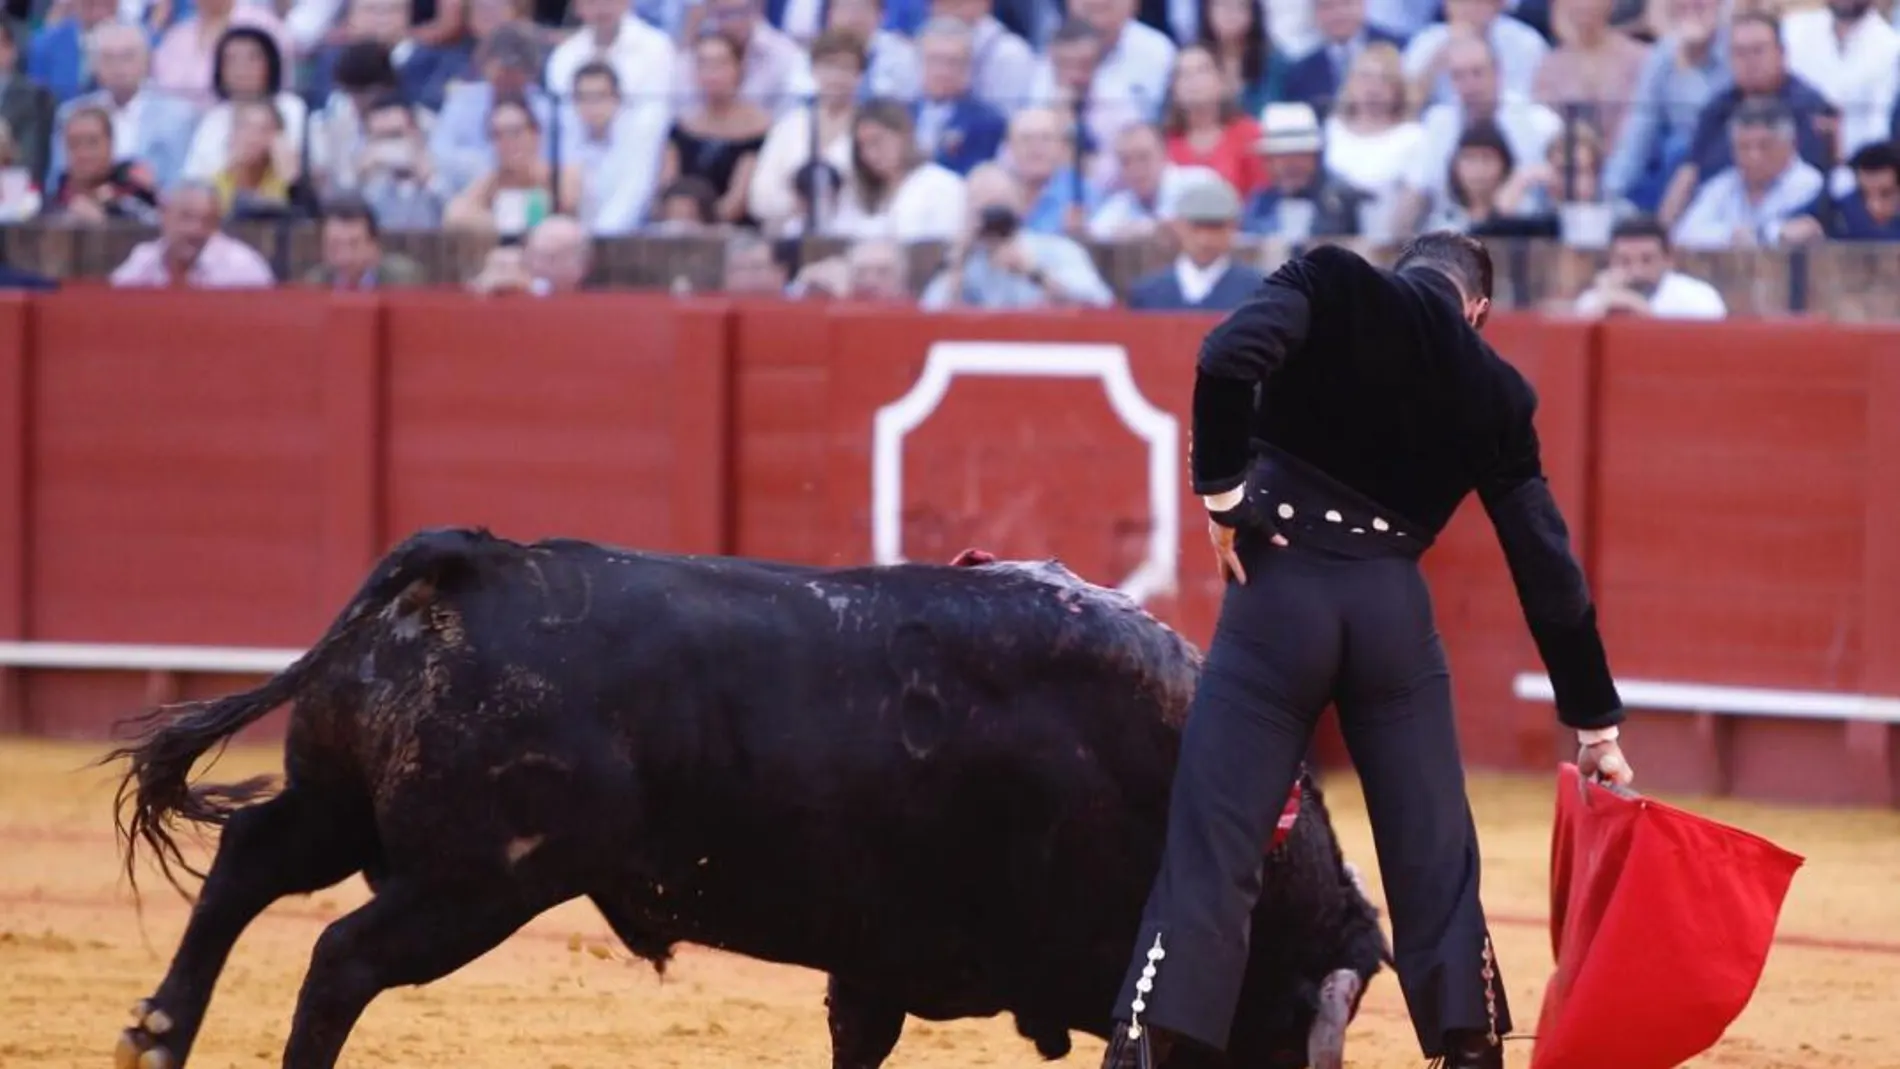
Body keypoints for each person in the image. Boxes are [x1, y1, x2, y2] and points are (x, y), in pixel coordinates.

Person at [1098, 232, 1634, 1069]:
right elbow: (1547, 567)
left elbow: (1226, 354)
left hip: (1279, 592)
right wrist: (1596, 721)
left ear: (1404, 268)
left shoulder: (1334, 279)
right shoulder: (1498, 389)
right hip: (1391, 611)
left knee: (1217, 841)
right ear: (1479, 310)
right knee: (1434, 853)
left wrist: (1224, 493)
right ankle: (1467, 1047)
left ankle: (1161, 1049)